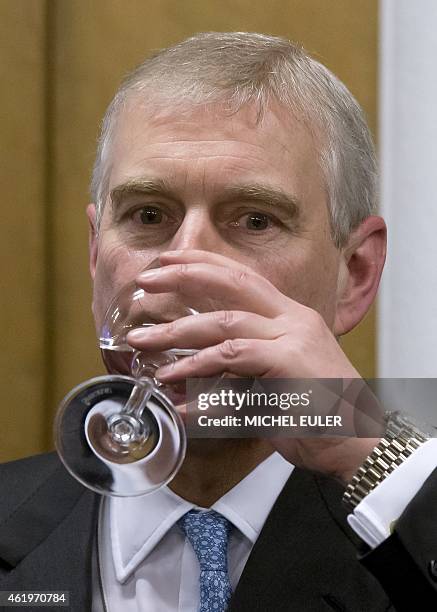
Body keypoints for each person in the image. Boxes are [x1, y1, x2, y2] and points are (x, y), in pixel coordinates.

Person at [1, 32, 437, 611]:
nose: (187, 268)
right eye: (148, 215)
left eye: (255, 221)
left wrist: (370, 456)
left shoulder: (403, 532)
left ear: (353, 274)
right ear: (94, 255)